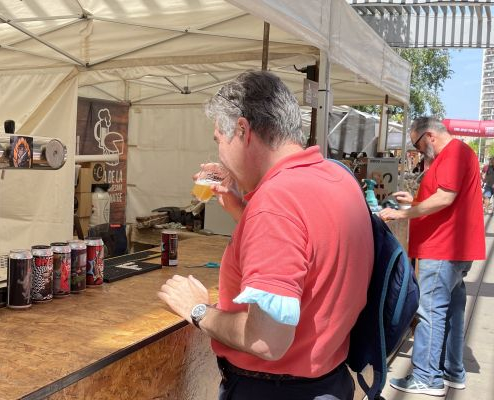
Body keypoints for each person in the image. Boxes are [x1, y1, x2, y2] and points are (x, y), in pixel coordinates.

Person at [157, 71, 373, 400]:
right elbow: (306, 244)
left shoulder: (275, 204)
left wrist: (198, 310)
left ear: (242, 130)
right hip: (330, 382)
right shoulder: (336, 176)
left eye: (219, 140)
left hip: (274, 390)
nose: (220, 154)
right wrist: (241, 209)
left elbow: (266, 341)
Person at [379, 117, 484, 396]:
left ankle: (427, 376)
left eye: (416, 143)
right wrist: (413, 202)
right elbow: (445, 200)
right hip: (452, 248)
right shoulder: (459, 153)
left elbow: (444, 198)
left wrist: (403, 213)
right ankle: (452, 371)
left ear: (429, 136)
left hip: (443, 248)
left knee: (430, 311)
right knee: (451, 311)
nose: (417, 150)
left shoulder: (453, 153)